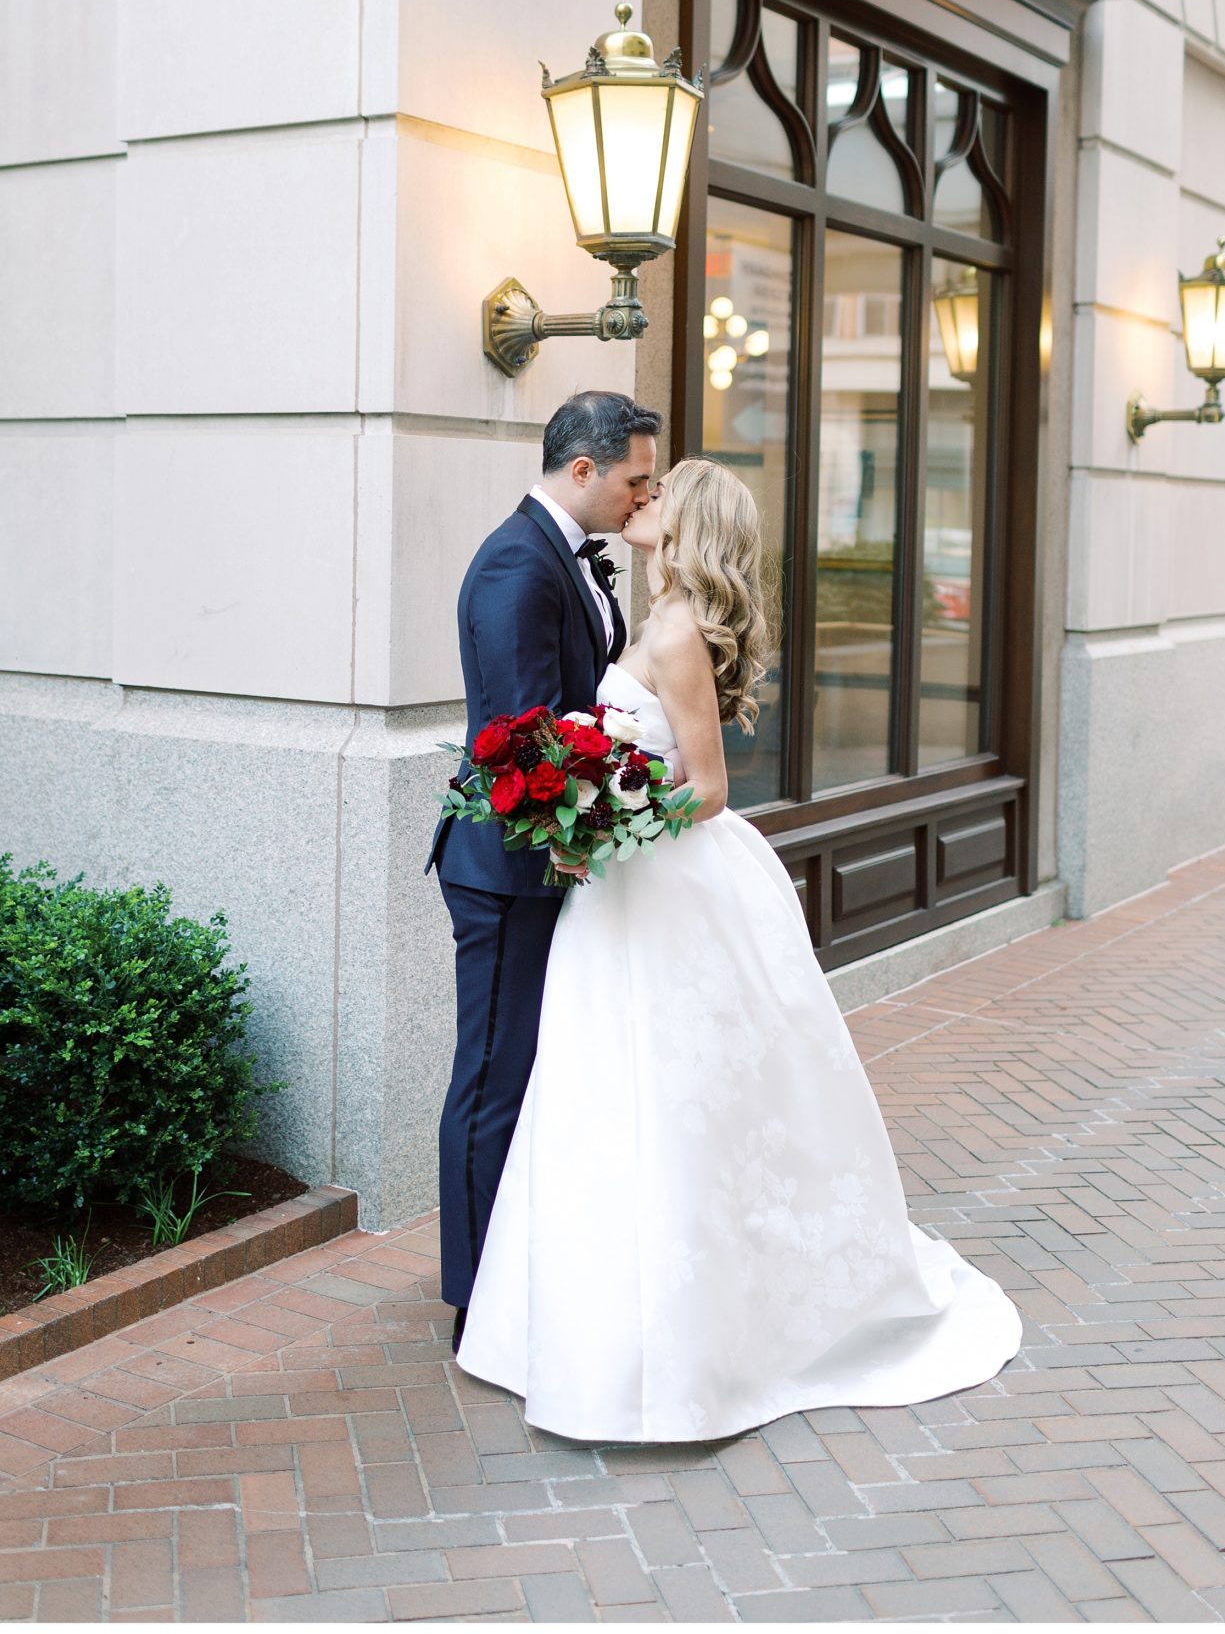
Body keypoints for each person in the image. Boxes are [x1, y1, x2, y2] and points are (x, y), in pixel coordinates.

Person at [455, 456, 1023, 1441]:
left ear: (687, 524)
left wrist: (608, 816)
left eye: (659, 491)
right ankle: (573, 1323)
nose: (643, 498)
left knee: (668, 1101)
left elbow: (707, 787)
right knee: (603, 1093)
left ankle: (684, 1344)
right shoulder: (656, 612)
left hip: (662, 884)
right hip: (624, 892)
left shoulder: (674, 632)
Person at [425, 390, 661, 1356]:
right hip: (508, 867)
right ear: (582, 470)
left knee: (531, 1071)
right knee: (491, 1076)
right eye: (634, 479)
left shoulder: (570, 557)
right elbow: (517, 744)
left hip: (553, 861)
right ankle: (473, 1299)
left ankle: (514, 1270)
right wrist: (587, 826)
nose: (642, 498)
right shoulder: (517, 567)